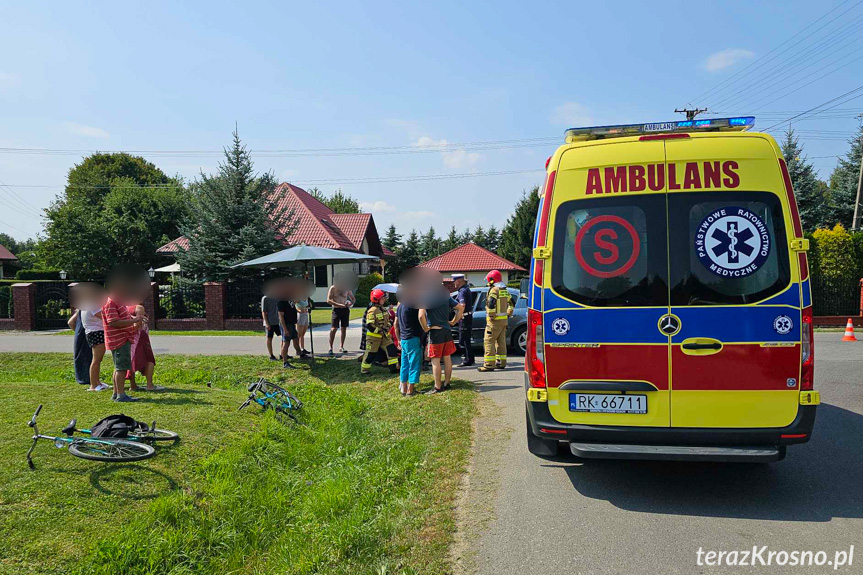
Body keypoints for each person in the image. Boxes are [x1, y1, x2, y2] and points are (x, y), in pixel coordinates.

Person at [419, 285, 463, 394]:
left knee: (435, 360)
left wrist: (426, 328)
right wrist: (453, 322)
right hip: (447, 331)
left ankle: (438, 386)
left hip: (435, 332)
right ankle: (447, 383)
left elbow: (421, 316)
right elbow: (460, 307)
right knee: (447, 358)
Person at [102, 291, 144, 403]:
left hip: (121, 338)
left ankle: (116, 393)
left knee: (118, 367)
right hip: (119, 339)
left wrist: (135, 318)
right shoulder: (111, 302)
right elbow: (113, 322)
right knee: (121, 368)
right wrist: (134, 320)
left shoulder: (117, 300)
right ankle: (121, 395)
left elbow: (123, 316)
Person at [478, 270, 514, 372]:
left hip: (494, 322)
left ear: (491, 279)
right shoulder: (504, 290)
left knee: (489, 341)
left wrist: (491, 315)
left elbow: (491, 303)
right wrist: (509, 312)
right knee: (501, 342)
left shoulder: (494, 290)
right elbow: (512, 303)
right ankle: (501, 363)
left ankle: (489, 365)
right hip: (504, 321)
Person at [126, 304, 164, 391]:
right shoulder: (139, 308)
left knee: (131, 359)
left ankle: (133, 385)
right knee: (149, 359)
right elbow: (137, 325)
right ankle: (149, 385)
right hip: (140, 337)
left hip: (128, 337)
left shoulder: (123, 308)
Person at [361, 288, 398, 374]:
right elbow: (370, 325)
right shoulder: (372, 311)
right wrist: (379, 330)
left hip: (384, 336)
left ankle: (393, 368)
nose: (384, 300)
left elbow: (388, 321)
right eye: (382, 298)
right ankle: (365, 370)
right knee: (371, 354)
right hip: (374, 338)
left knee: (391, 350)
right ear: (376, 299)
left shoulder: (383, 309)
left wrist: (388, 326)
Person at [394, 297, 422, 396]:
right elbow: (421, 317)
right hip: (413, 337)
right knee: (414, 364)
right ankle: (410, 390)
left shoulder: (400, 305)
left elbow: (395, 324)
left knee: (404, 365)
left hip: (404, 339)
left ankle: (404, 388)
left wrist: (399, 340)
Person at [80, 306, 109, 391]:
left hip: (94, 332)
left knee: (97, 359)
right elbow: (104, 316)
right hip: (96, 332)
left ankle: (97, 382)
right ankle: (93, 385)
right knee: (96, 359)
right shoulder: (94, 306)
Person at [327, 278, 355, 354]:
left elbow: (353, 298)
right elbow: (328, 300)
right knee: (334, 328)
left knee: (344, 328)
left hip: (345, 310)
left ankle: (341, 346)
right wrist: (339, 305)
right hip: (336, 310)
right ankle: (330, 347)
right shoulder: (333, 288)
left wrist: (350, 303)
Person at [452, 274, 475, 366]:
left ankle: (467, 360)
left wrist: (456, 318)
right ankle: (470, 359)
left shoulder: (462, 291)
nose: (454, 283)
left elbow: (462, 306)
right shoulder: (466, 289)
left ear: (458, 281)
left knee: (463, 341)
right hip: (467, 317)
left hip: (464, 318)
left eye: (454, 281)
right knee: (466, 340)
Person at [68, 308, 93, 386]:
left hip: (79, 334)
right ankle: (87, 378)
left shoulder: (80, 310)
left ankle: (82, 377)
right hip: (86, 333)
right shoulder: (89, 310)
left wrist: (77, 332)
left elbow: (70, 322)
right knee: (88, 356)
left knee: (81, 356)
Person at [278, 298, 305, 368]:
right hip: (286, 325)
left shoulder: (290, 299)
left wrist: (298, 311)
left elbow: (291, 308)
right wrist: (285, 329)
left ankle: (301, 354)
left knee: (296, 340)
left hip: (292, 324)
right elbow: (280, 316)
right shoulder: (281, 301)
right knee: (286, 343)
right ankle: (285, 362)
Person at [261, 293, 282, 361]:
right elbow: (263, 311)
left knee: (284, 337)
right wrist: (267, 323)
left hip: (278, 321)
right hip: (270, 322)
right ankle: (271, 355)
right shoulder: (265, 298)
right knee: (269, 338)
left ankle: (283, 353)